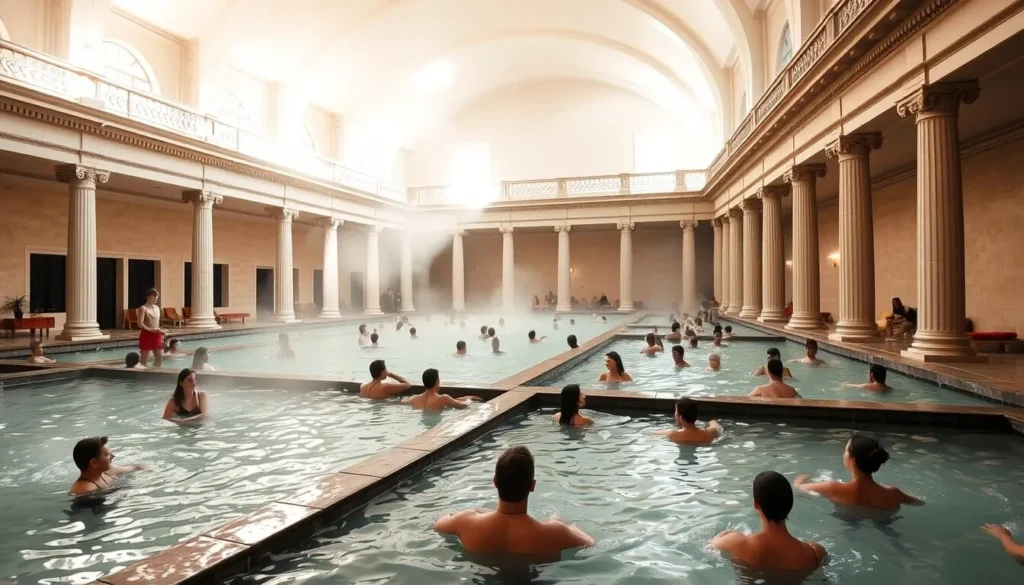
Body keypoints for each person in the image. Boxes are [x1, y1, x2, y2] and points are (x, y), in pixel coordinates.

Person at [434, 446, 595, 556]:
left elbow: (438, 525)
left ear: (495, 482)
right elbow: (591, 544)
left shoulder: (466, 521)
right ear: (532, 486)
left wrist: (479, 513)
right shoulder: (555, 532)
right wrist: (563, 524)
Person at [711, 471, 826, 572]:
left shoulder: (737, 542)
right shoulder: (815, 554)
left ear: (756, 504)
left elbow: (712, 544)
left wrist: (727, 533)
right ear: (790, 504)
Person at [794, 433, 922, 510]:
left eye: (845, 451)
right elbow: (919, 502)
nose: (843, 454)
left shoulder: (832, 488)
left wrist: (802, 477)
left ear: (853, 460)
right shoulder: (894, 494)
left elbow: (798, 487)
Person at [69, 436, 148, 496]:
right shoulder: (84, 490)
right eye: (107, 454)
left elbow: (137, 467)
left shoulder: (108, 471)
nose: (113, 455)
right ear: (94, 463)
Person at [404, 368, 479, 411]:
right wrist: (470, 400)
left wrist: (461, 398)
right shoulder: (444, 398)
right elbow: (464, 406)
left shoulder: (413, 399)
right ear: (437, 382)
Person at [656, 397, 721, 445]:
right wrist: (710, 422)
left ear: (681, 417)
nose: (674, 414)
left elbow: (650, 433)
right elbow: (714, 423)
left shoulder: (672, 434)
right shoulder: (710, 432)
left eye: (676, 411)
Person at [137, 288, 168, 368]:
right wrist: (150, 330)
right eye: (154, 297)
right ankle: (143, 375)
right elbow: (140, 324)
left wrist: (161, 331)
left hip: (156, 334)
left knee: (159, 358)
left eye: (157, 297)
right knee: (144, 360)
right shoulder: (143, 308)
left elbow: (156, 324)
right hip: (146, 335)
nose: (156, 299)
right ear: (148, 297)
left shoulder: (157, 308)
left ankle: (155, 373)